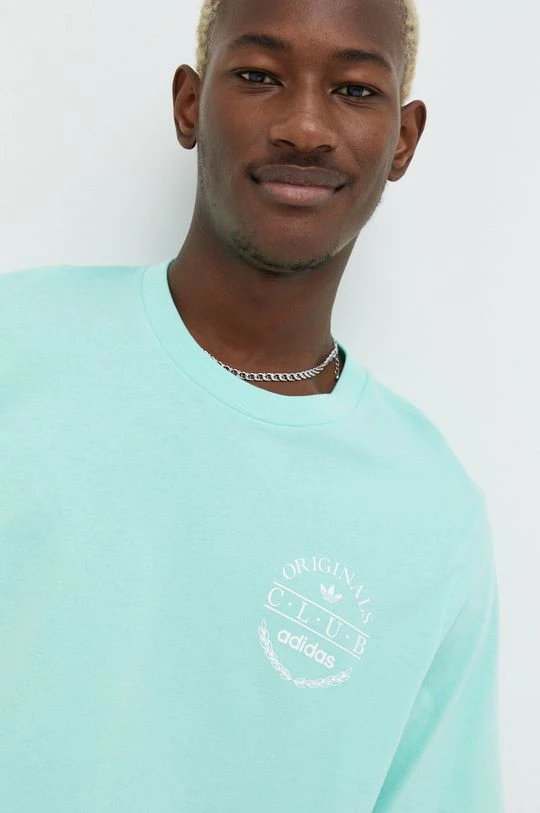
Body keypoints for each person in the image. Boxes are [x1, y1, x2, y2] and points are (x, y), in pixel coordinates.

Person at [0, 0, 503, 810]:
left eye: (354, 90)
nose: (305, 126)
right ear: (189, 104)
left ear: (404, 139)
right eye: (260, 75)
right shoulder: (16, 346)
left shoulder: (433, 516)